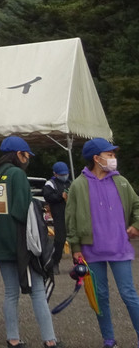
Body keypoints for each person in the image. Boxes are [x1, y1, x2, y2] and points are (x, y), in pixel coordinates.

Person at [0, 136, 58, 348]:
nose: (27, 159)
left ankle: (13, 339)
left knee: (11, 292)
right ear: (18, 154)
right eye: (26, 155)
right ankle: (49, 340)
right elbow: (22, 211)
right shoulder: (16, 174)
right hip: (19, 241)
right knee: (38, 290)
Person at [65, 137, 139, 348]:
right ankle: (108, 339)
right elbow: (70, 220)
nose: (113, 158)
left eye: (113, 154)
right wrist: (76, 248)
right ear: (96, 158)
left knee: (129, 294)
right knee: (100, 297)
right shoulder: (78, 185)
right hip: (91, 251)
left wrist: (136, 225)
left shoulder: (121, 181)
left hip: (120, 248)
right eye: (110, 154)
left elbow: (137, 206)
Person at [43, 161, 71, 273]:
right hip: (59, 215)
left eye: (65, 174)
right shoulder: (50, 184)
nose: (64, 176)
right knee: (60, 240)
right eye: (61, 174)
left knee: (76, 240)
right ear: (55, 174)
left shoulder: (70, 183)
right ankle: (55, 262)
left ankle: (78, 263)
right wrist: (61, 196)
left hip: (71, 214)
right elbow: (48, 196)